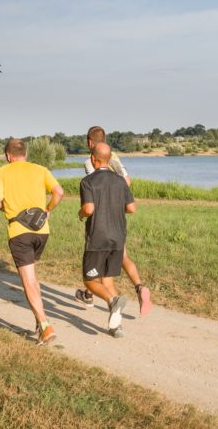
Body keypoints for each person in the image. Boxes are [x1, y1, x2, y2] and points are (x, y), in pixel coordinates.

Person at [0, 138, 64, 345]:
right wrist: (47, 210)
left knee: (28, 281)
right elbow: (59, 192)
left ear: (7, 155)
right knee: (32, 278)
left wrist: (5, 207)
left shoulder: (3, 171)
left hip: (19, 232)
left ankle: (45, 325)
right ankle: (39, 322)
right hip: (42, 232)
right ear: (25, 154)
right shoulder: (40, 169)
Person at [74, 125, 152, 315]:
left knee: (96, 273)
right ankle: (138, 288)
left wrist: (82, 213)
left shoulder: (89, 164)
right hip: (117, 221)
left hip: (101, 224)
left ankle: (93, 295)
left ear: (90, 144)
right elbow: (127, 182)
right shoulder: (114, 157)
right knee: (114, 266)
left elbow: (94, 193)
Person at [78, 142, 137, 337]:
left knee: (90, 280)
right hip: (118, 237)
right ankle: (115, 326)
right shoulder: (121, 181)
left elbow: (88, 209)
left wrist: (80, 213)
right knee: (107, 280)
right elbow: (131, 208)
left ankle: (113, 301)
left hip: (98, 238)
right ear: (109, 160)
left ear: (93, 160)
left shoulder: (88, 181)